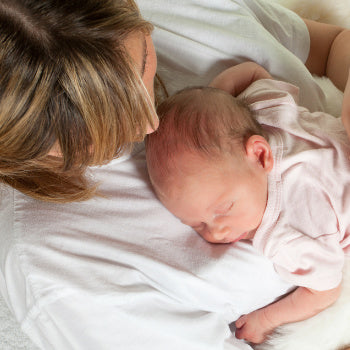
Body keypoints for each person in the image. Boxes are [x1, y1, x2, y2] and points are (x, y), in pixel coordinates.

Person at [1, 0, 350, 348]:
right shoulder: (57, 274)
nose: (149, 122)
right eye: (96, 132)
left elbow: (331, 44)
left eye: (141, 66)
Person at [145, 61, 350, 344]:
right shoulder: (265, 114)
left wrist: (266, 319)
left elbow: (325, 291)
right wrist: (213, 101)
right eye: (197, 225)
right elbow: (252, 72)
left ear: (260, 155)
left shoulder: (287, 232)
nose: (216, 233)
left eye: (224, 209)